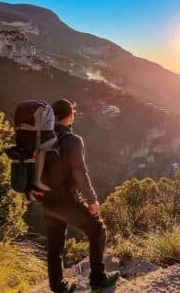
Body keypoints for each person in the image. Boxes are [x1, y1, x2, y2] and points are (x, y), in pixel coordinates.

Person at [41, 99, 119, 292]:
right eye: (73, 112)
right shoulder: (73, 141)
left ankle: (58, 286)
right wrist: (91, 200)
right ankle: (98, 279)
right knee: (97, 229)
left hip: (47, 202)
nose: (74, 115)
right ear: (69, 116)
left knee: (55, 244)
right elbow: (79, 174)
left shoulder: (41, 139)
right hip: (67, 201)